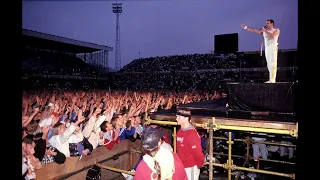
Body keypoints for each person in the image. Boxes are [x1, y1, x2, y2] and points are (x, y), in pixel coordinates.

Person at [176, 108, 204, 180]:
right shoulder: (179, 132)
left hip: (190, 168)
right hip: (182, 167)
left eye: (179, 117)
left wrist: (199, 164)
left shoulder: (191, 134)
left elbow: (197, 153)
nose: (176, 119)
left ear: (186, 118)